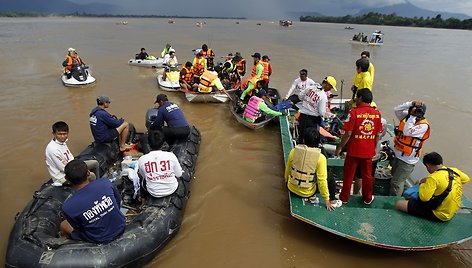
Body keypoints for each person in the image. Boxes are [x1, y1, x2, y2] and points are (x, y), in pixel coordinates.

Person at [334, 88, 382, 205]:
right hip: (368, 152)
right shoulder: (377, 114)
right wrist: (373, 148)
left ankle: (344, 198)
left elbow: (348, 133)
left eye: (357, 98)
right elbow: (377, 135)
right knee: (367, 176)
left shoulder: (354, 113)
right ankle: (367, 198)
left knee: (349, 175)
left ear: (360, 98)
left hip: (354, 151)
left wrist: (340, 147)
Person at [60, 160, 125, 243]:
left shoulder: (67, 206)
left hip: (99, 238)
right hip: (120, 226)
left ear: (67, 179)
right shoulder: (105, 182)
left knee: (63, 225)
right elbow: (118, 201)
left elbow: (78, 227)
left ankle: (67, 246)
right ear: (88, 173)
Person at [395, 152, 470, 221]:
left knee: (399, 204)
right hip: (452, 211)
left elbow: (424, 198)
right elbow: (466, 179)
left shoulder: (433, 178)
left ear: (428, 165)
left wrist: (423, 184)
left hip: (440, 215)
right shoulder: (454, 170)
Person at [285, 127, 340, 211]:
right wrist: (326, 200)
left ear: (304, 139)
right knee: (330, 177)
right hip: (307, 193)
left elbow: (287, 170)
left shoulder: (293, 151)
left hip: (291, 187)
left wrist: (286, 181)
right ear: (318, 141)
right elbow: (322, 181)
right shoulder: (321, 158)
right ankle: (332, 200)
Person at [389, 100, 430, 196]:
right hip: (398, 154)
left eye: (418, 111)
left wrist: (412, 116)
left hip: (407, 160)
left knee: (396, 183)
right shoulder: (406, 117)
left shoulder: (423, 126)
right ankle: (407, 195)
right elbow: (396, 110)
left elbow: (407, 132)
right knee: (396, 178)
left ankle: (394, 202)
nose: (416, 112)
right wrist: (411, 104)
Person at [45, 121, 100, 186]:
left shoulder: (62, 143)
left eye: (64, 134)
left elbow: (70, 157)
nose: (62, 137)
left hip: (73, 165)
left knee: (95, 163)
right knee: (92, 175)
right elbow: (64, 169)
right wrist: (83, 170)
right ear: (54, 134)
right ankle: (93, 189)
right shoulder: (53, 149)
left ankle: (97, 183)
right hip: (63, 176)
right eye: (59, 134)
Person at [137, 130, 183, 199]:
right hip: (172, 189)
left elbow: (143, 176)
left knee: (140, 177)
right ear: (163, 144)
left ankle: (143, 199)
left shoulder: (142, 159)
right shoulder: (171, 156)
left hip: (153, 192)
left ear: (149, 143)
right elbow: (179, 174)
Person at [296, 77, 334, 144]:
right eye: (331, 87)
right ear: (327, 84)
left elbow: (300, 96)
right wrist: (329, 115)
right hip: (312, 120)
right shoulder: (323, 96)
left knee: (301, 136)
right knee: (311, 139)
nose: (330, 89)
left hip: (302, 116)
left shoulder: (310, 87)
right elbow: (321, 113)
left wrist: (307, 102)